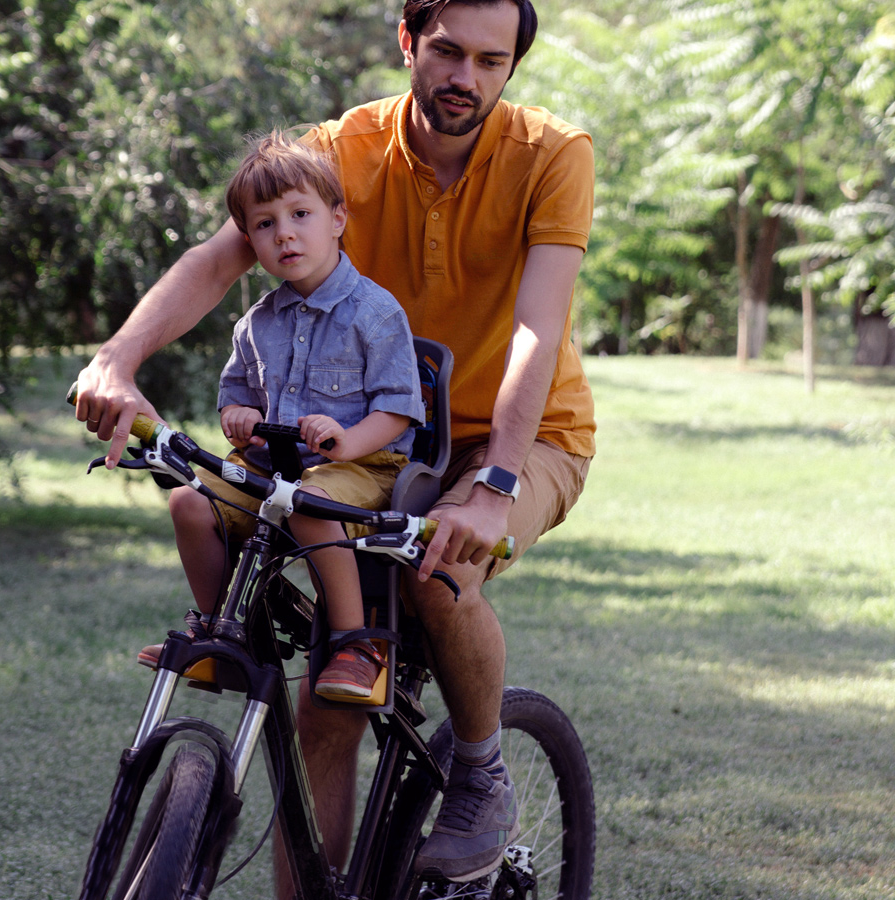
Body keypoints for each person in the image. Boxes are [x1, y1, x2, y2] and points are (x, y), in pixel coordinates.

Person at [74, 0, 595, 885]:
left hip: (517, 433)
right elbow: (217, 257)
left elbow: (536, 334)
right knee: (325, 708)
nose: (464, 77)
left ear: (511, 67)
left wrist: (494, 482)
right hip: (358, 449)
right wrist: (117, 359)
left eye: (489, 60)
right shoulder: (341, 150)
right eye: (446, 51)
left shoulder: (552, 154)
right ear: (407, 41)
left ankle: (479, 770)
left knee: (441, 569)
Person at [140, 131, 424, 701]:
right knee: (191, 501)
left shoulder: (374, 312)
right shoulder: (257, 322)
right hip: (274, 469)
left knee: (307, 505)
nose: (284, 233)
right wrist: (239, 418)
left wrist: (344, 441)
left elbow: (397, 410)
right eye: (264, 224)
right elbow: (234, 395)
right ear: (248, 239)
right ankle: (223, 632)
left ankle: (356, 643)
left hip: (366, 466)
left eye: (300, 214)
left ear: (338, 218)